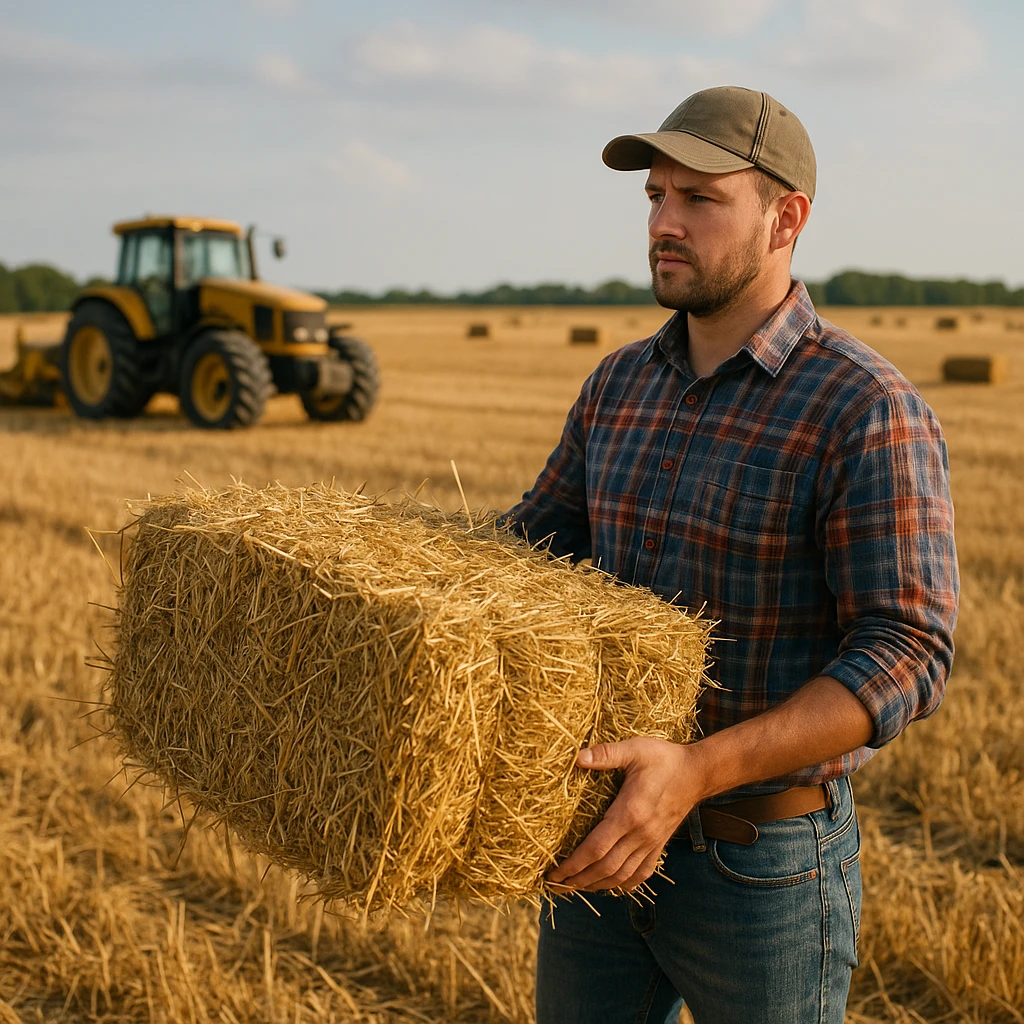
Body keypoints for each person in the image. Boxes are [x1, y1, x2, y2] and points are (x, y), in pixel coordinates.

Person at [505, 86, 959, 1024]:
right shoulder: (619, 383)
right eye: (654, 197)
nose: (663, 223)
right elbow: (528, 552)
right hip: (596, 838)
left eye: (699, 199)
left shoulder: (863, 407)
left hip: (760, 869)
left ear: (785, 217)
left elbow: (907, 649)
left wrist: (699, 770)